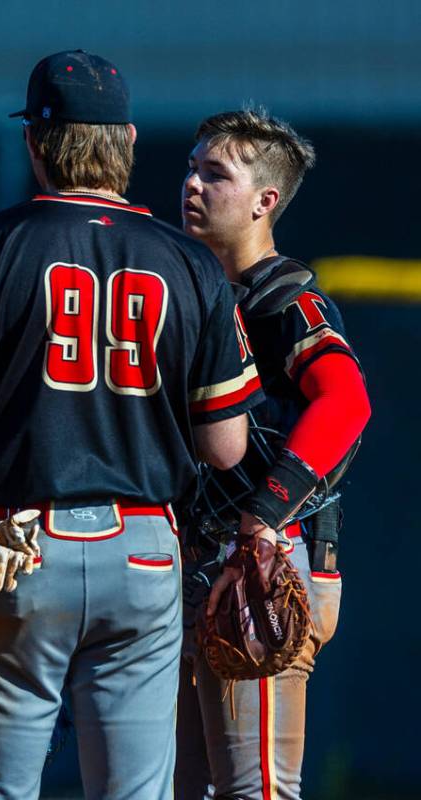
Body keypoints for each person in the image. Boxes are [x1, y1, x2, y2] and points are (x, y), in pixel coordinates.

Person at [0, 50, 263, 799]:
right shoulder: (188, 262)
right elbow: (225, 445)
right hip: (144, 549)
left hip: (17, 547)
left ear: (34, 144)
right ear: (129, 142)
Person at [175, 107, 371, 800]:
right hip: (200, 558)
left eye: (215, 174)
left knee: (256, 788)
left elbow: (346, 403)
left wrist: (263, 514)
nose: (192, 184)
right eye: (191, 168)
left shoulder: (284, 296)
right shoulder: (194, 288)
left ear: (264, 201)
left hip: (266, 556)